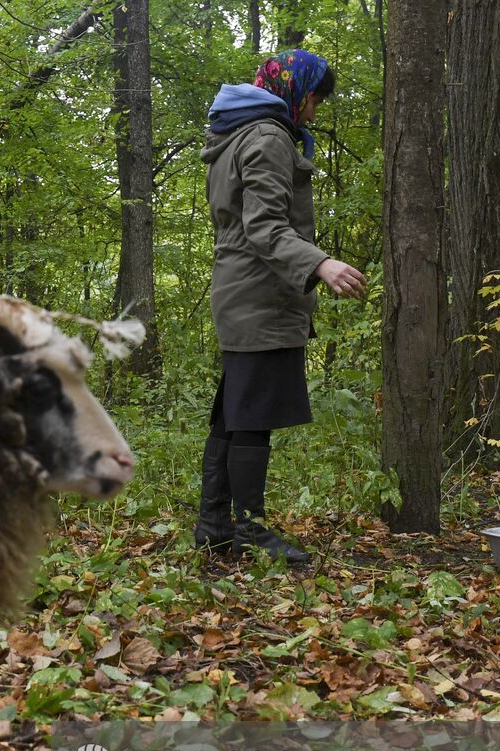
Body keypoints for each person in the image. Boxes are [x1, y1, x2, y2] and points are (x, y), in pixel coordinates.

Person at [194, 49, 366, 564]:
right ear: (300, 92)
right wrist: (322, 265)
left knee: (234, 412)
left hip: (242, 288)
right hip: (259, 292)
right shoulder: (268, 136)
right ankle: (248, 527)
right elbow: (265, 226)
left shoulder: (239, 132)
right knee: (250, 416)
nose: (313, 113)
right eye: (315, 101)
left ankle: (214, 524)